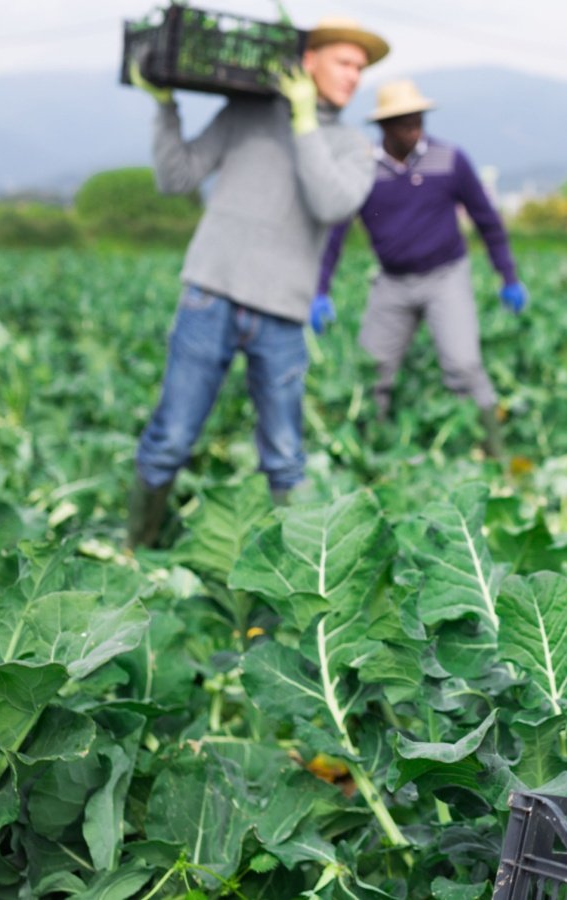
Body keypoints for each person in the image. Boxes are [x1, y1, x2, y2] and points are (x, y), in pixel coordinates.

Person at [124, 17, 389, 548]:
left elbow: (331, 203)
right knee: (171, 437)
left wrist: (305, 121)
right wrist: (164, 105)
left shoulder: (354, 145)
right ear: (307, 61)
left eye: (361, 68)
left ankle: (299, 572)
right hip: (211, 293)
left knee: (286, 456)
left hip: (281, 312)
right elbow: (175, 178)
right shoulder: (245, 112)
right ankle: (136, 548)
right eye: (344, 62)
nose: (355, 75)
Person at [314, 79, 527, 459]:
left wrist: (507, 276)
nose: (413, 130)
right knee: (371, 371)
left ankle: (495, 454)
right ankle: (369, 455)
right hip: (392, 283)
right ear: (383, 127)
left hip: (445, 276)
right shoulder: (363, 169)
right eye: (403, 124)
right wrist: (320, 290)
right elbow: (336, 234)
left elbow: (487, 221)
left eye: (417, 121)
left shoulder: (450, 160)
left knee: (463, 365)